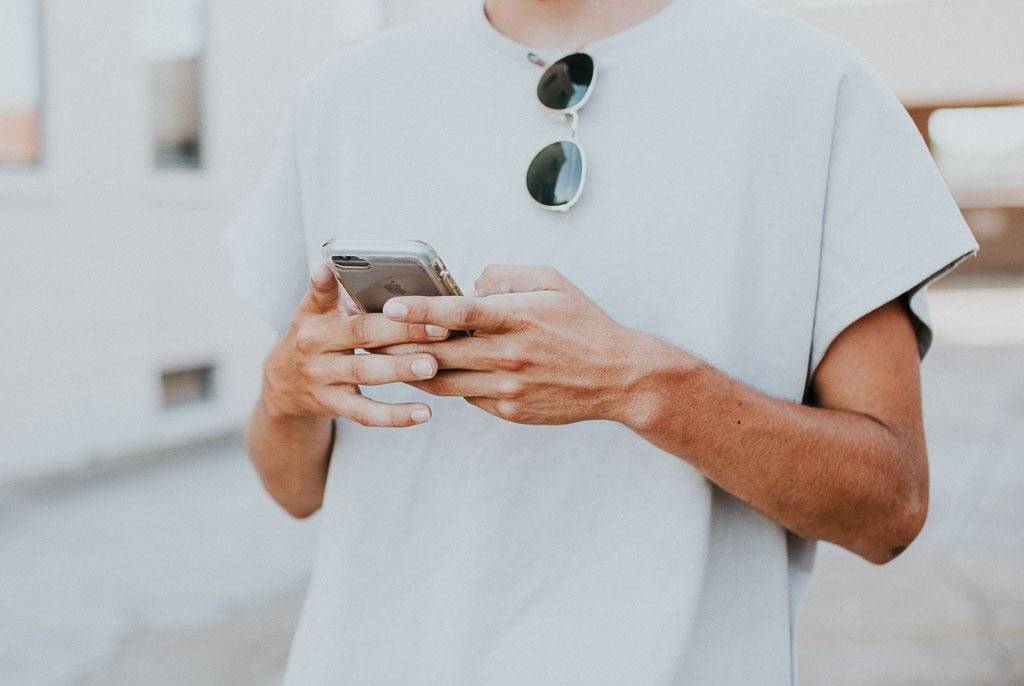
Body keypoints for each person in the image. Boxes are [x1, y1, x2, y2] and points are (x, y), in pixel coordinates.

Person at [225, 0, 978, 682]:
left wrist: (637, 385)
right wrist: (286, 392)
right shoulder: (341, 98)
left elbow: (889, 508)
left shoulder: (813, 88)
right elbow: (293, 489)